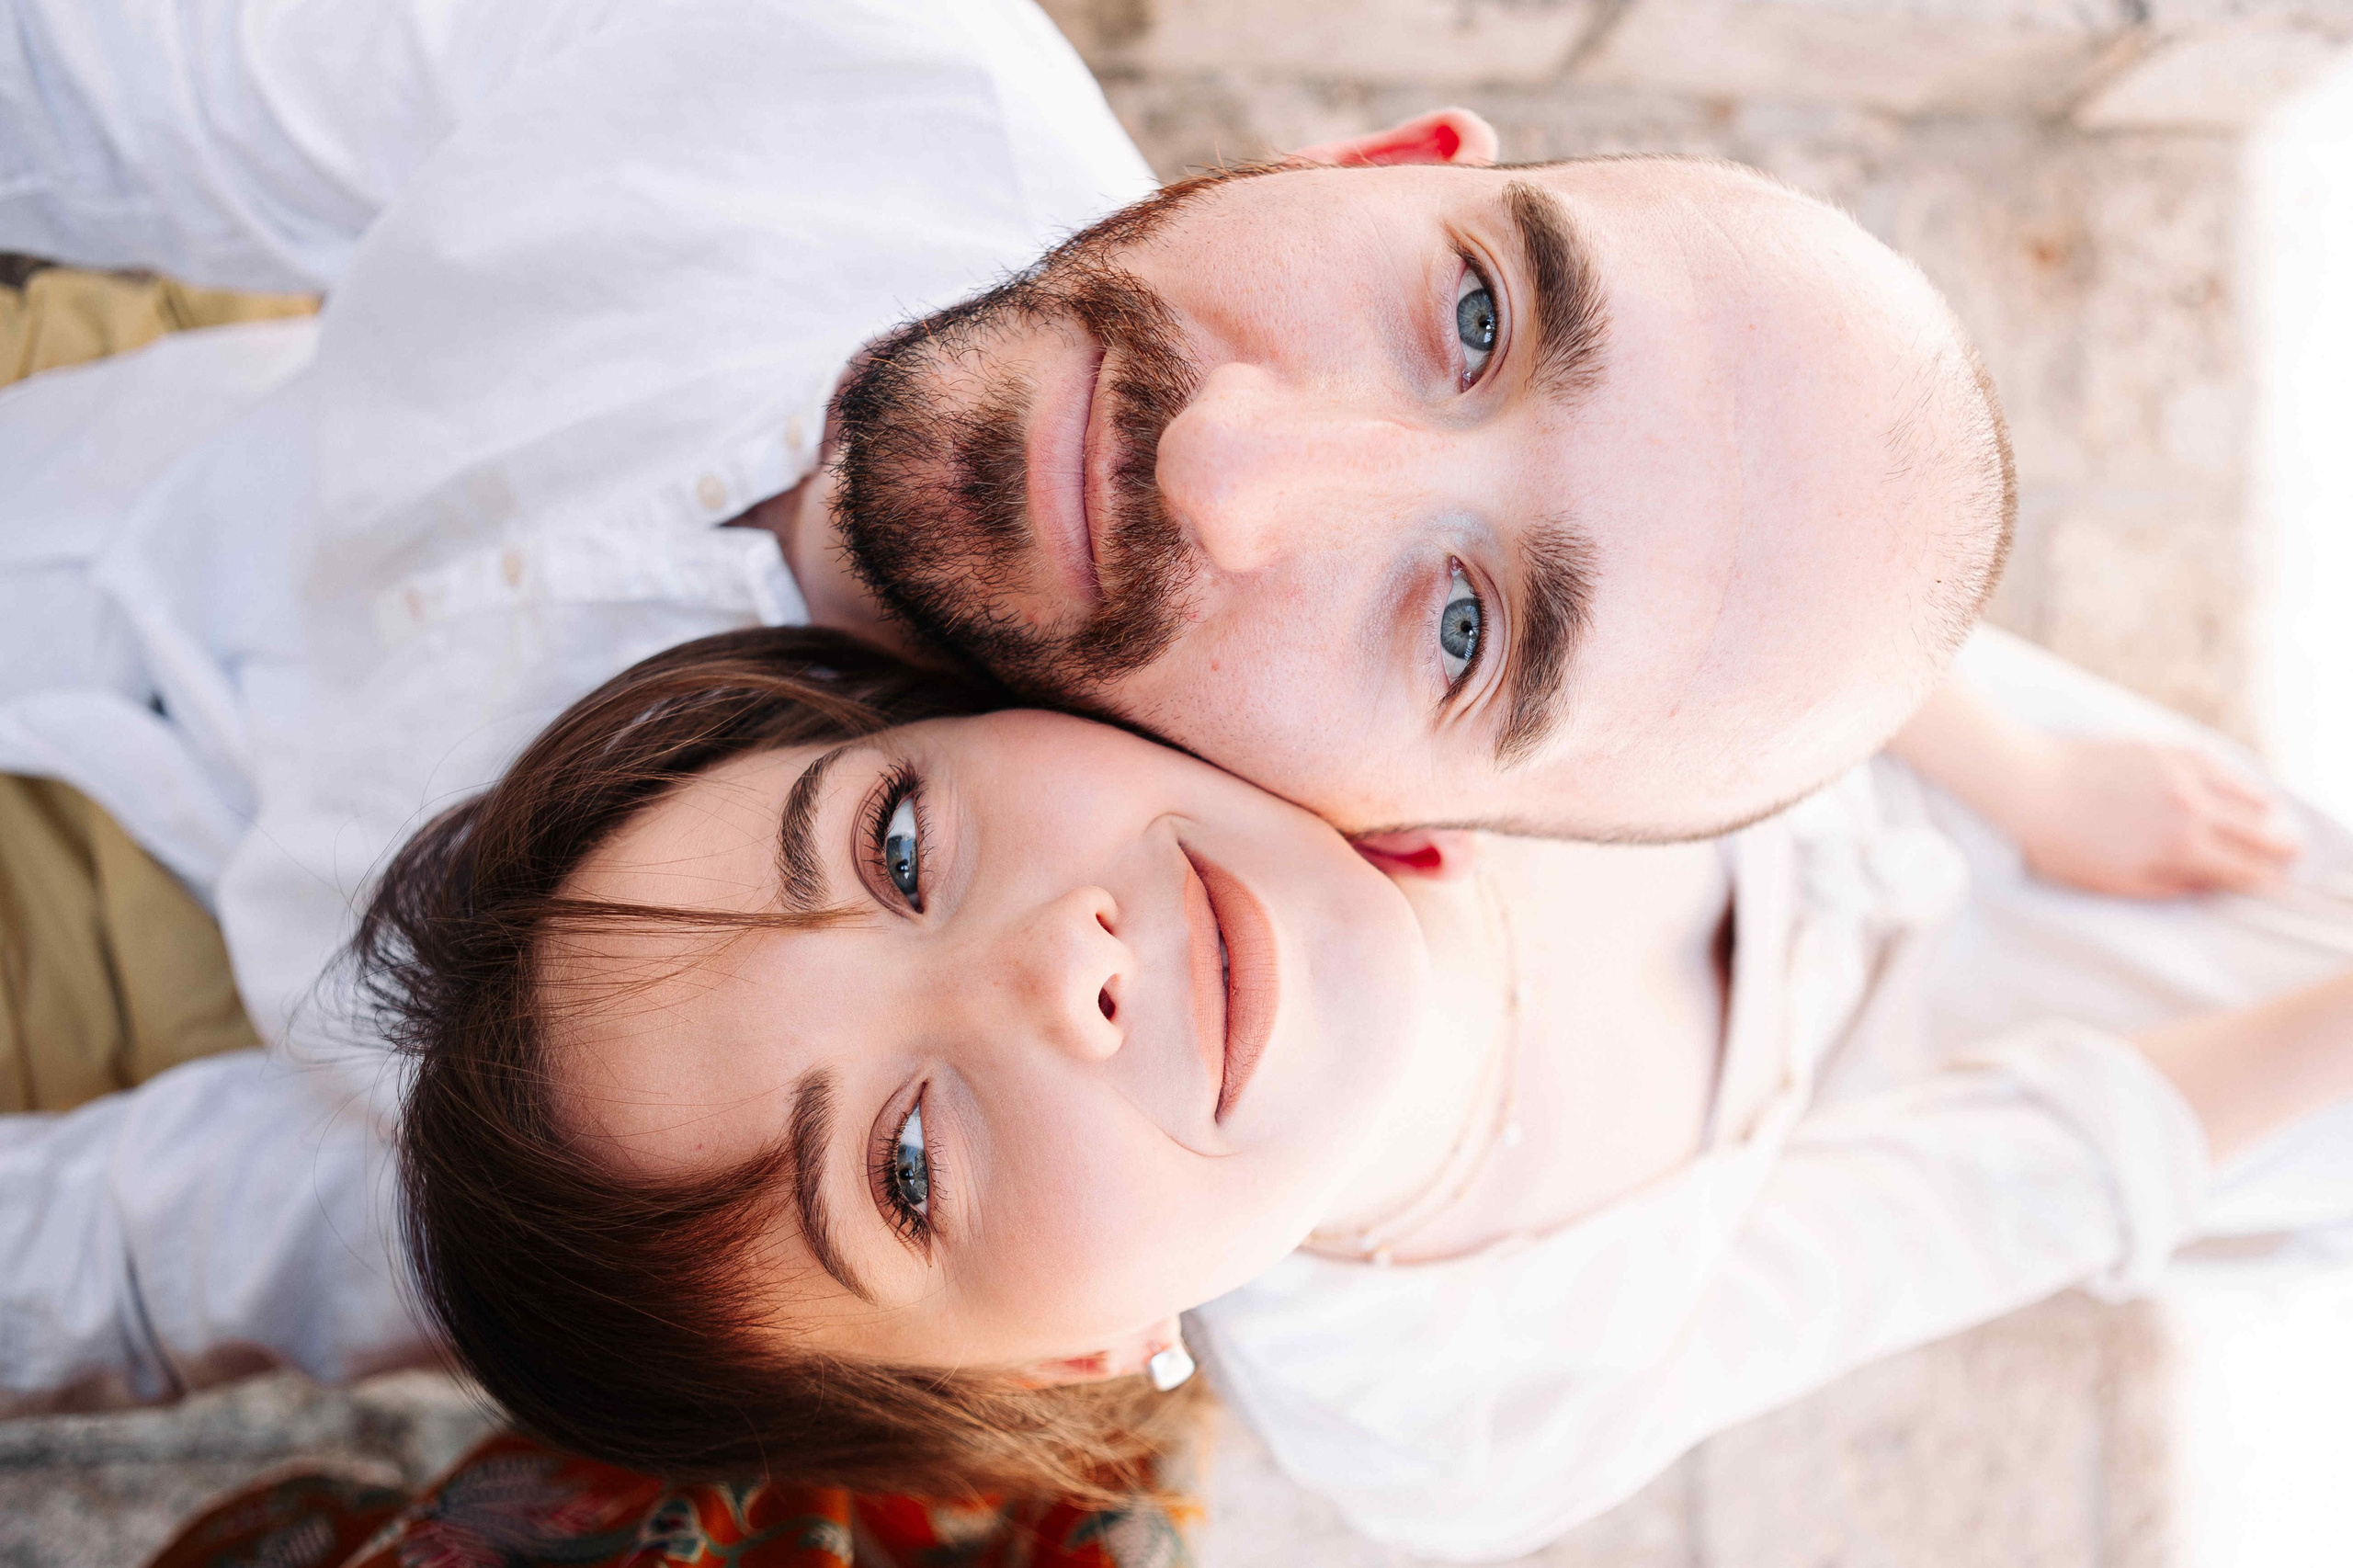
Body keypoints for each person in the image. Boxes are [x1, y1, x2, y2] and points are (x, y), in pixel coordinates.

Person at [0, 0, 2293, 1410]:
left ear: (1405, 825)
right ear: (1384, 164)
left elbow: (143, 1262)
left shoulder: (786, 1132)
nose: (1225, 462)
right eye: (1473, 318)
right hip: (133, 439)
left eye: (1465, 630)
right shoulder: (821, 71)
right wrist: (2011, 741)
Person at [360, 621, 2353, 1559]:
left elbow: (1757, 584)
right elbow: (2016, 1184)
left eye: (892, 847)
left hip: (2014, 810)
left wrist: (2023, 769)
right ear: (1069, 1360)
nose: (1056, 957)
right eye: (895, 1161)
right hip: (2188, 1089)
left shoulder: (1267, 662)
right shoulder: (1459, 1399)